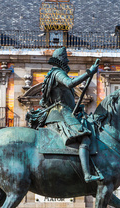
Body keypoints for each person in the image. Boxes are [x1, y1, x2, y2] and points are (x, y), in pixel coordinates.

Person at [39, 47, 102, 183]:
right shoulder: (57, 73)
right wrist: (89, 72)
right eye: (66, 59)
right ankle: (87, 174)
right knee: (85, 138)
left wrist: (76, 107)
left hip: (63, 111)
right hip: (61, 113)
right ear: (61, 60)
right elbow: (70, 83)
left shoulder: (52, 74)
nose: (67, 61)